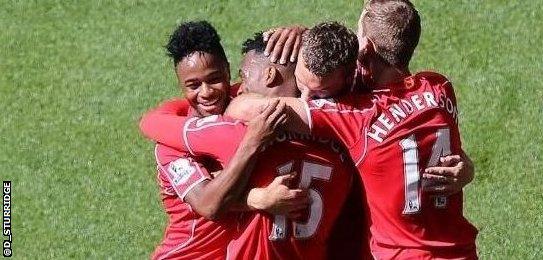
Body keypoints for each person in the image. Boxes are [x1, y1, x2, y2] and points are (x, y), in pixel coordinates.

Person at [232, 2, 479, 258]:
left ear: (366, 47)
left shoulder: (357, 116)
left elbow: (245, 109)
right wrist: (468, 168)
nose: (309, 98)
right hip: (459, 250)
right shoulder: (439, 87)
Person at [143, 21, 299, 260]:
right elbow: (208, 204)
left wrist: (300, 36)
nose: (206, 92)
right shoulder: (171, 146)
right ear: (180, 85)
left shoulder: (244, 98)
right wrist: (257, 197)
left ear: (227, 70)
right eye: (193, 85)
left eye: (214, 79)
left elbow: (294, 81)